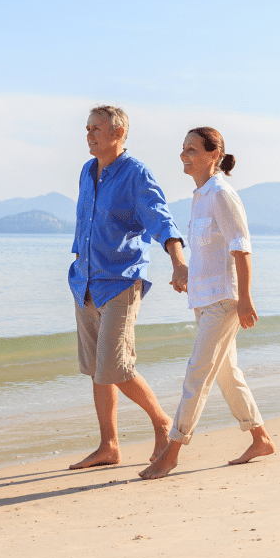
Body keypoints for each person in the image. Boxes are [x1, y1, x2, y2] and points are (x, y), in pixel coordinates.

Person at [139, 126, 275, 480]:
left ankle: (172, 452)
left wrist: (244, 299)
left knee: (196, 374)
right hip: (204, 298)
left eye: (193, 150)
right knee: (227, 374)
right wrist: (185, 273)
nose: (185, 155)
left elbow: (241, 248)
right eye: (183, 149)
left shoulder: (221, 195)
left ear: (215, 154)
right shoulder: (200, 196)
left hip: (224, 300)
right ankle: (260, 438)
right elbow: (208, 252)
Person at [68, 105, 187, 470]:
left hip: (121, 281)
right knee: (96, 369)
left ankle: (163, 422)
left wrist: (179, 261)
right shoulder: (88, 172)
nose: (90, 135)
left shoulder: (136, 174)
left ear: (118, 134)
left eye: (97, 129)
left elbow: (160, 219)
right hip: (85, 281)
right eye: (87, 129)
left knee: (115, 367)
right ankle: (109, 446)